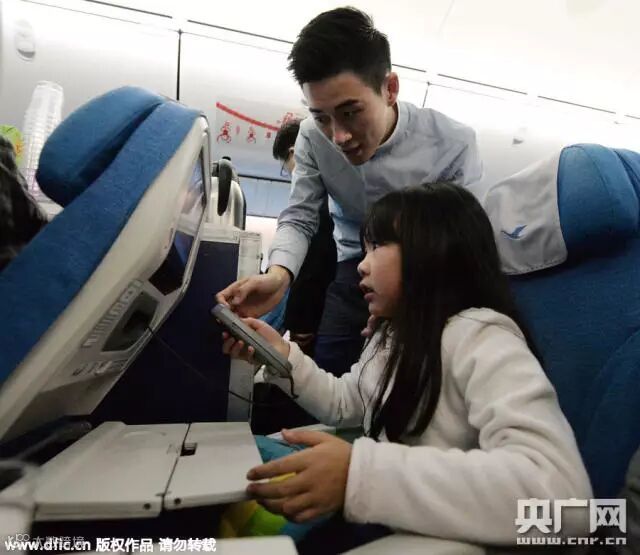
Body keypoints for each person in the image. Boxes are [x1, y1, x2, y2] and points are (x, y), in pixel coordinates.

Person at [222, 184, 592, 552]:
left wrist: (360, 475)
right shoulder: (394, 335)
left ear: (434, 251)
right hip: (385, 518)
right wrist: (281, 355)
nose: (361, 264)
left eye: (378, 246)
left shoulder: (482, 337)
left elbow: (561, 498)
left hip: (424, 535)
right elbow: (347, 403)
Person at [217, 7, 483, 377]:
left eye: (350, 113)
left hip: (426, 278)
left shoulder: (452, 144)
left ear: (390, 89)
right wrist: (279, 276)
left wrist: (409, 297)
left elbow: (463, 247)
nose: (338, 136)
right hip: (352, 272)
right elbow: (301, 217)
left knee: (412, 381)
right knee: (333, 375)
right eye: (321, 117)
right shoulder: (311, 137)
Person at [272, 119, 336, 356]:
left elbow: (313, 265)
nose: (290, 173)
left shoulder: (316, 204)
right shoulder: (338, 193)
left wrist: (300, 321)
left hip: (315, 316)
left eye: (286, 166)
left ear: (294, 152)